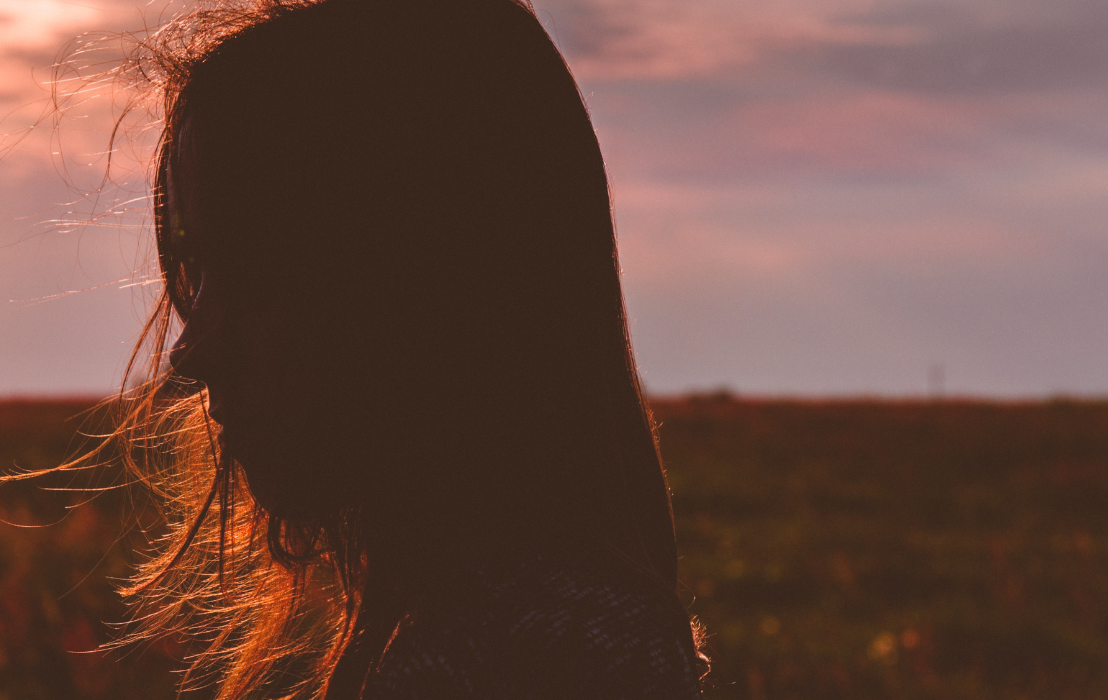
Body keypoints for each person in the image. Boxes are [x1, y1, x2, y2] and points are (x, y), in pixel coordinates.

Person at [56, 0, 706, 697]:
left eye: (257, 274)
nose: (193, 352)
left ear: (430, 287)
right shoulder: (558, 629)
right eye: (195, 274)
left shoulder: (519, 660)